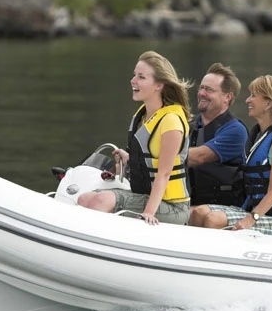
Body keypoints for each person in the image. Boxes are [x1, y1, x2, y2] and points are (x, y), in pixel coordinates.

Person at [77, 51, 191, 225]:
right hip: (146, 196)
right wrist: (130, 159)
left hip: (173, 207)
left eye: (141, 77)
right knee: (85, 198)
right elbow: (149, 161)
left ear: (159, 85)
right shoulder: (144, 116)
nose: (133, 80)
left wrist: (148, 213)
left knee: (101, 201)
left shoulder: (171, 122)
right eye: (134, 75)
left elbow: (165, 173)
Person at [188, 75, 272, 236]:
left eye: (253, 95)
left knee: (214, 220)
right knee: (198, 212)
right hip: (257, 211)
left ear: (269, 103)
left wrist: (251, 219)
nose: (247, 100)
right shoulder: (259, 136)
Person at [187, 62, 248, 206]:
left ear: (227, 97)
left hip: (223, 208)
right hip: (190, 203)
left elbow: (200, 157)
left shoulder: (236, 131)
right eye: (201, 88)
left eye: (208, 90)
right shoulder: (188, 125)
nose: (201, 93)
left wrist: (157, 157)